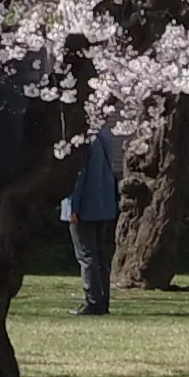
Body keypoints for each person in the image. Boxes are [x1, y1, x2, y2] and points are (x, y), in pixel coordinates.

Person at [61, 93, 123, 316]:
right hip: (102, 204)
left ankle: (93, 301)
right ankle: (102, 300)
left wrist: (72, 207)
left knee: (86, 255)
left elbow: (76, 176)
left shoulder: (82, 141)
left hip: (84, 206)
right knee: (99, 255)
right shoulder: (105, 138)